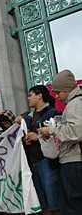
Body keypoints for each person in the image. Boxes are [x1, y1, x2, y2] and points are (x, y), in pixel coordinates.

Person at [38, 70, 82, 215]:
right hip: (73, 160)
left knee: (72, 205)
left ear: (66, 89)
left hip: (74, 160)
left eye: (58, 92)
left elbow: (76, 132)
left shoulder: (75, 104)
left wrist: (52, 130)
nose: (56, 96)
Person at [15, 85, 61, 215]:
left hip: (46, 161)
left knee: (53, 198)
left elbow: (60, 134)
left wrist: (38, 136)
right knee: (40, 200)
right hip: (32, 162)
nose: (28, 98)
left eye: (30, 95)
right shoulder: (29, 117)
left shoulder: (53, 113)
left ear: (39, 96)